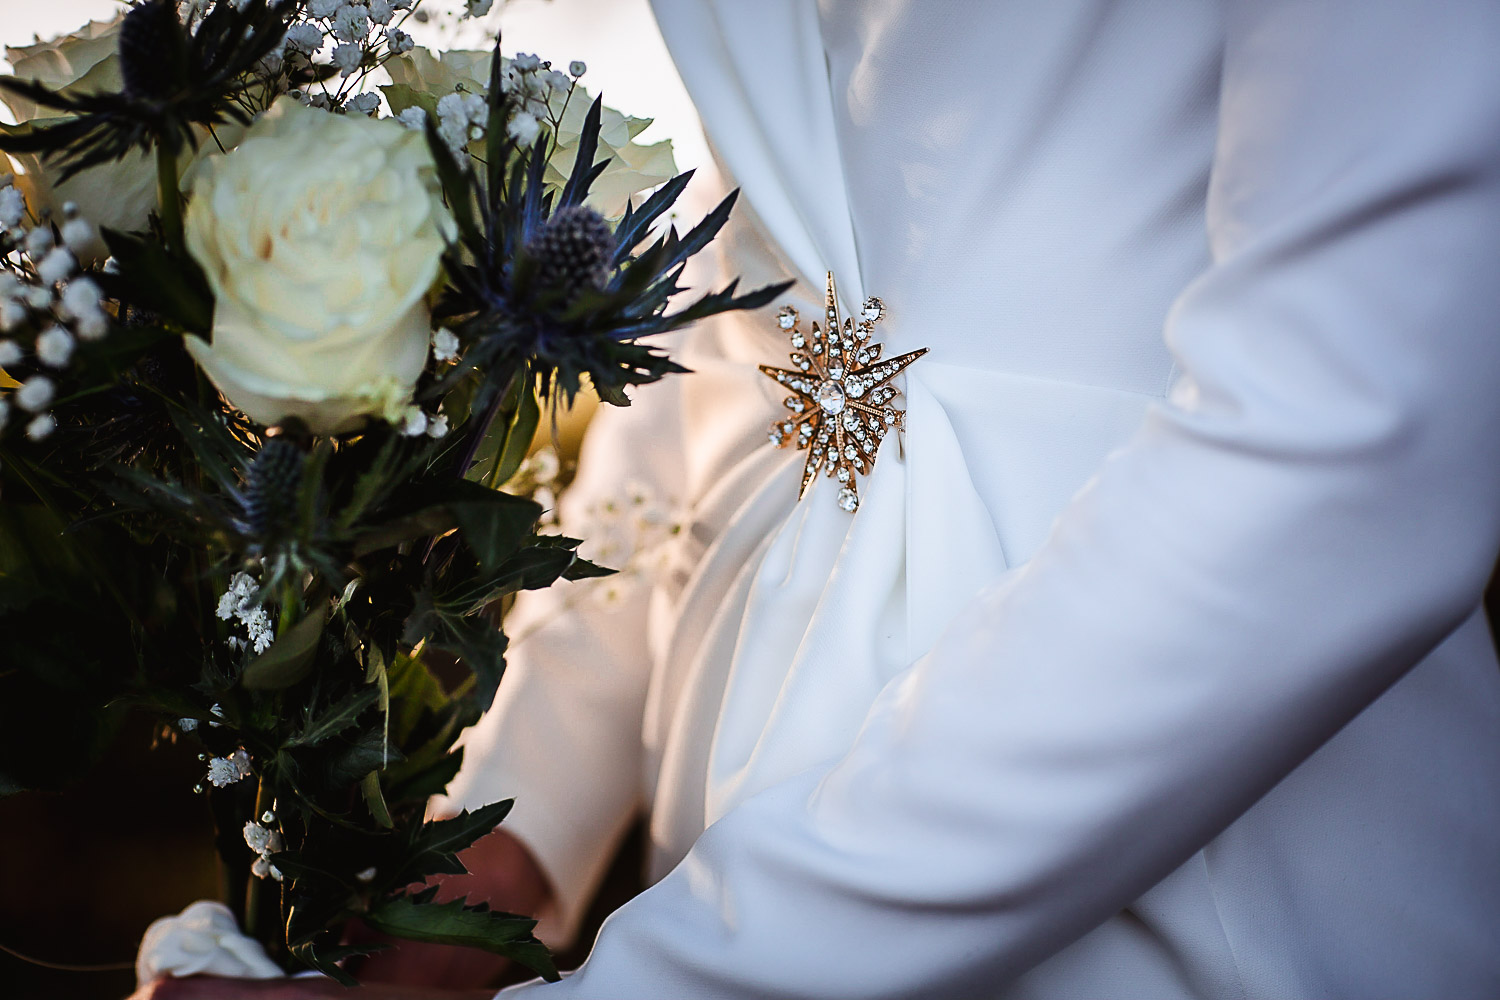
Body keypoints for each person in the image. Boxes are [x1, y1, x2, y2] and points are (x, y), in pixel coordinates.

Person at [134, 0, 1500, 997]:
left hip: (1189, 818)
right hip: (748, 780)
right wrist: (509, 837)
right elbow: (757, 321)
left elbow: (1354, 439)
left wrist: (689, 975)